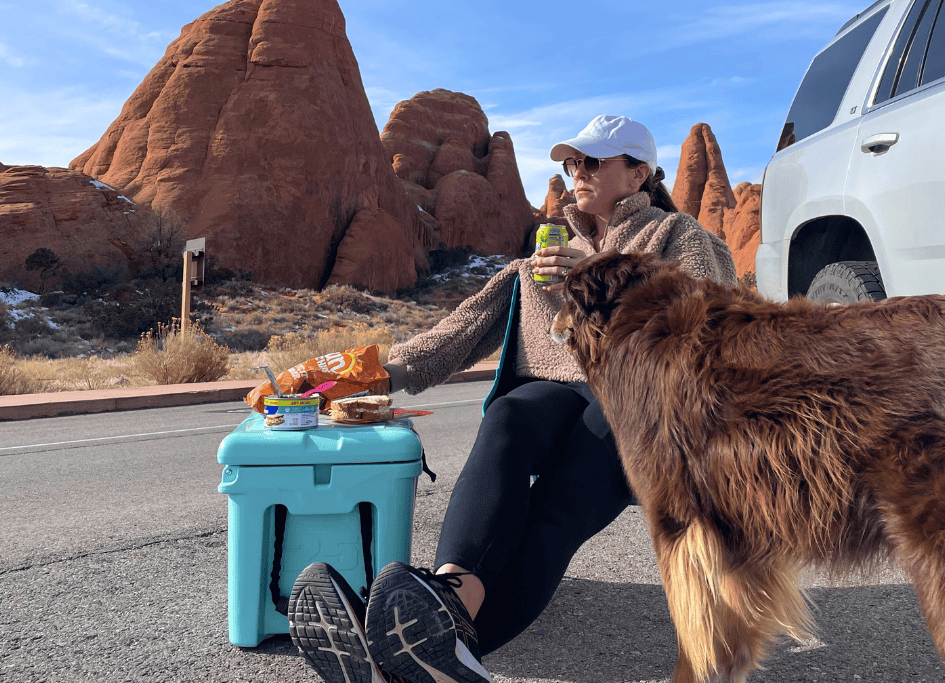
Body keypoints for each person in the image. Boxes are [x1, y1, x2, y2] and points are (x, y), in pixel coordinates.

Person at [287, 115, 738, 683]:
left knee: (557, 509)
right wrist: (351, 375)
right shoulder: (540, 262)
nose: (577, 173)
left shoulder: (679, 238)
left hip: (638, 401)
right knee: (508, 417)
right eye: (571, 163)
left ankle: (407, 659)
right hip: (550, 401)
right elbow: (454, 334)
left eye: (592, 162)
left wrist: (614, 280)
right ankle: (447, 609)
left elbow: (716, 318)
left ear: (638, 173)